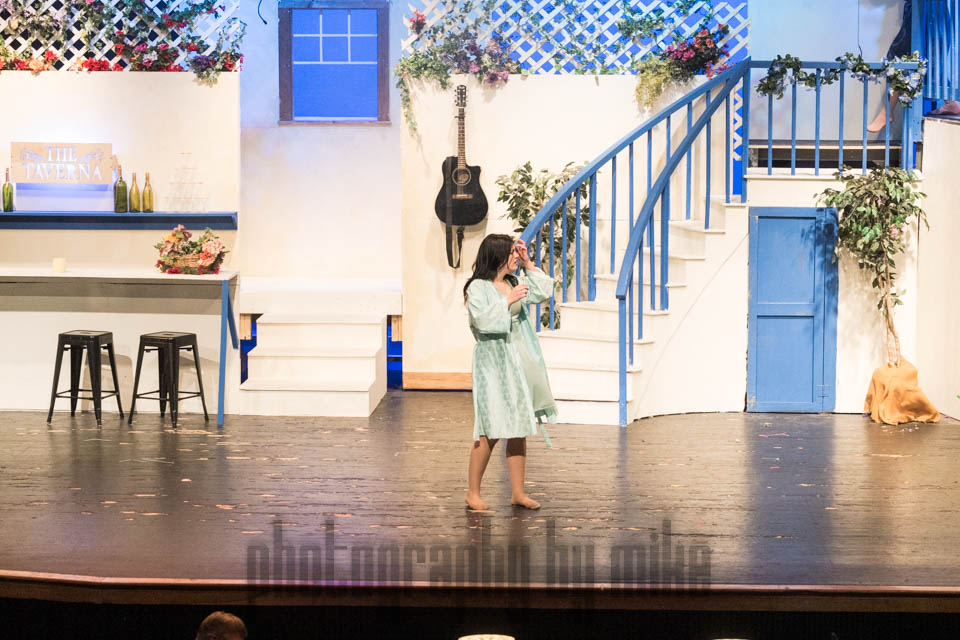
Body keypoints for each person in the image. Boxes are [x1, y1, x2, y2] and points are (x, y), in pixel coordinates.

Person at [463, 234, 558, 511]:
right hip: (493, 361)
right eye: (513, 253)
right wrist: (506, 301)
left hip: (518, 358)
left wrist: (528, 264)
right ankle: (472, 492)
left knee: (518, 426)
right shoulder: (478, 287)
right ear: (497, 256)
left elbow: (542, 291)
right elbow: (482, 321)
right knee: (490, 427)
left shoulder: (513, 281)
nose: (516, 256)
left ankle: (518, 492)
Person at [868, 0, 960, 132]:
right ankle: (950, 102)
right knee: (929, 60)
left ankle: (887, 112)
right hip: (933, 11)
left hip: (925, 11)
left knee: (902, 57)